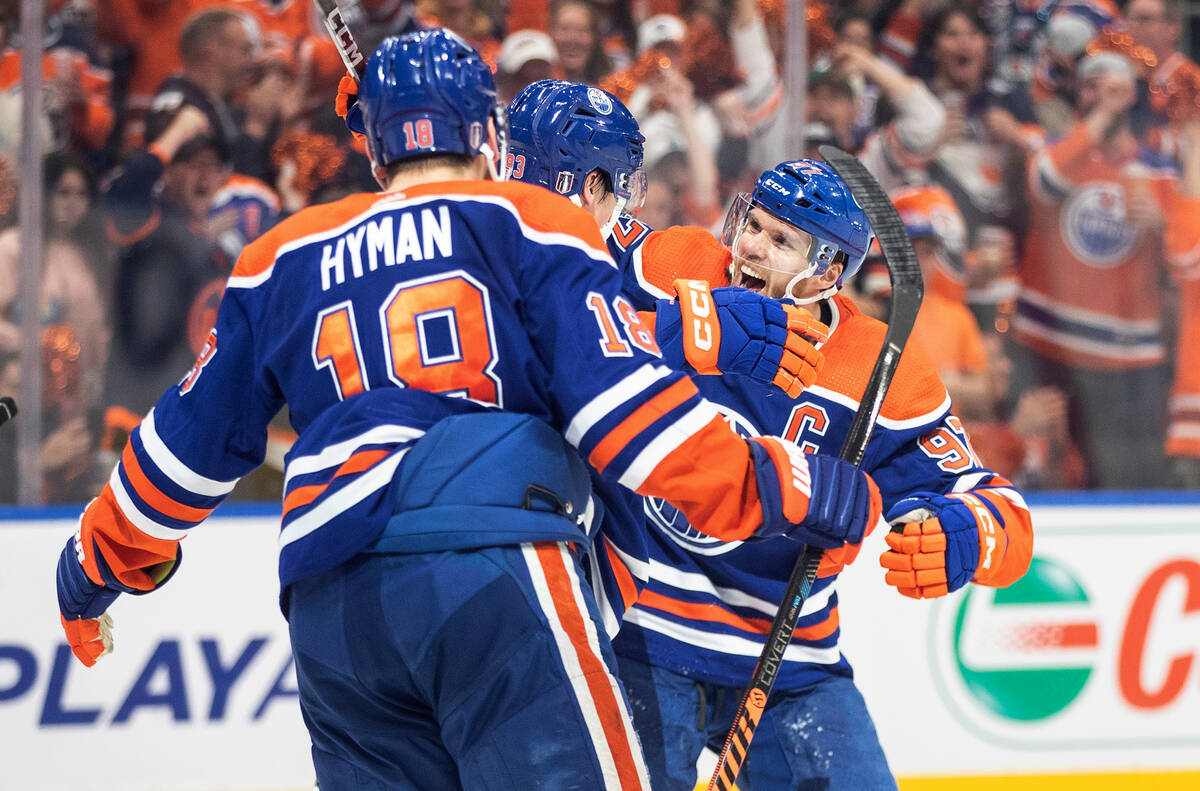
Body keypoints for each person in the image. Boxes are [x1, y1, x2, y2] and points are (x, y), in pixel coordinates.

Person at [55, 30, 884, 790]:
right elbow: (626, 413)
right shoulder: (533, 222)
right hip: (488, 560)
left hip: (328, 597)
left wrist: (90, 570)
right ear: (486, 136)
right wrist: (785, 485)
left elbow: (182, 449)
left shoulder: (281, 253)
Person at [507, 80, 1034, 789]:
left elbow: (992, 499)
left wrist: (964, 534)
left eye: (780, 240)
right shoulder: (674, 267)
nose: (749, 247)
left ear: (830, 273)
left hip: (790, 661)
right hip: (641, 632)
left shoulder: (883, 371)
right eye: (752, 223)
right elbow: (566, 253)